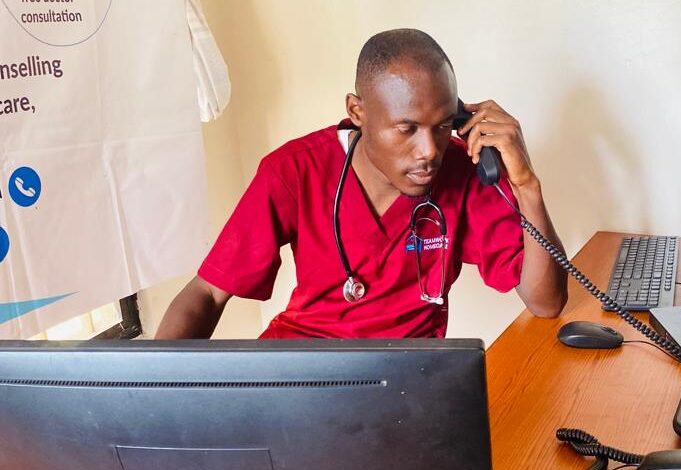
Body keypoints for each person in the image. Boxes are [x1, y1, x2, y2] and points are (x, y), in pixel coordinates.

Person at [155, 28, 567, 339]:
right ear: (357, 111)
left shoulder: (461, 171)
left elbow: (546, 302)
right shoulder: (295, 171)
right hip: (298, 372)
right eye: (407, 128)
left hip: (408, 385)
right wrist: (160, 403)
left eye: (442, 125)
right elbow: (207, 294)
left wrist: (526, 184)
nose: (429, 151)